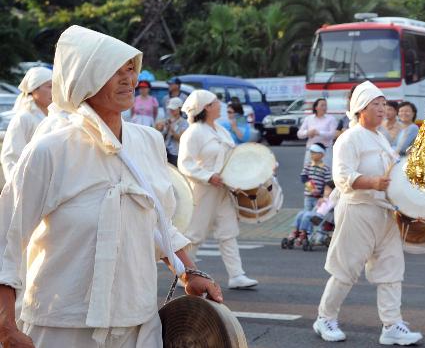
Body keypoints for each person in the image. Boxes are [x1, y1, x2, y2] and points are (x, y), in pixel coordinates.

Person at [0, 25, 220, 348]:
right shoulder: (50, 150)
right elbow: (7, 236)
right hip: (61, 324)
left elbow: (158, 221)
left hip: (138, 322)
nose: (128, 80)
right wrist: (6, 324)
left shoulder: (149, 142)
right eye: (113, 71)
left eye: (130, 69)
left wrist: (189, 271)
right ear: (82, 78)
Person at [313, 81, 423, 345]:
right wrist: (373, 182)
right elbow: (342, 177)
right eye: (376, 104)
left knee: (391, 269)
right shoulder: (348, 138)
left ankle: (392, 324)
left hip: (385, 212)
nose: (383, 109)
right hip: (358, 210)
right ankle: (324, 318)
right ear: (360, 108)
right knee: (346, 269)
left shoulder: (380, 137)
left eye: (384, 104)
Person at [178, 90, 259, 290]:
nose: (219, 105)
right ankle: (183, 274)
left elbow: (233, 156)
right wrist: (208, 176)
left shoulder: (221, 130)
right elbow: (184, 163)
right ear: (206, 108)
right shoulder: (193, 132)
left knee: (228, 231)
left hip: (224, 189)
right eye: (215, 102)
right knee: (194, 233)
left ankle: (236, 275)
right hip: (203, 189)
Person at [0, 66, 52, 181]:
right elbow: (11, 157)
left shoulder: (56, 116)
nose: (53, 92)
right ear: (34, 89)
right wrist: (18, 186)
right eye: (49, 87)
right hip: (30, 182)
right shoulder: (23, 118)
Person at [287, 143, 334, 247]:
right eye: (311, 153)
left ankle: (317, 235)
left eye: (315, 153)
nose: (312, 155)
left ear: (322, 155)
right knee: (305, 213)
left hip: (320, 198)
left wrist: (322, 194)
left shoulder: (325, 168)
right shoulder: (308, 166)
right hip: (308, 195)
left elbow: (327, 183)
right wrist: (311, 187)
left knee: (317, 216)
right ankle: (302, 231)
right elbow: (304, 177)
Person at [298, 97, 337, 167]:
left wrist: (318, 133)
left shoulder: (331, 119)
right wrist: (307, 133)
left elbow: (332, 134)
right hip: (311, 150)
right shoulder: (308, 119)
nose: (324, 107)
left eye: (325, 105)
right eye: (322, 105)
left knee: (324, 172)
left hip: (325, 150)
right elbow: (299, 134)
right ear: (316, 107)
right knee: (309, 172)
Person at [157, 97, 188, 165]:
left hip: (175, 154)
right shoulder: (166, 119)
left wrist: (171, 129)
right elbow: (160, 135)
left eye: (173, 109)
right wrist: (159, 128)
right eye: (170, 109)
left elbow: (180, 139)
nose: (171, 110)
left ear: (180, 109)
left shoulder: (184, 122)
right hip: (164, 151)